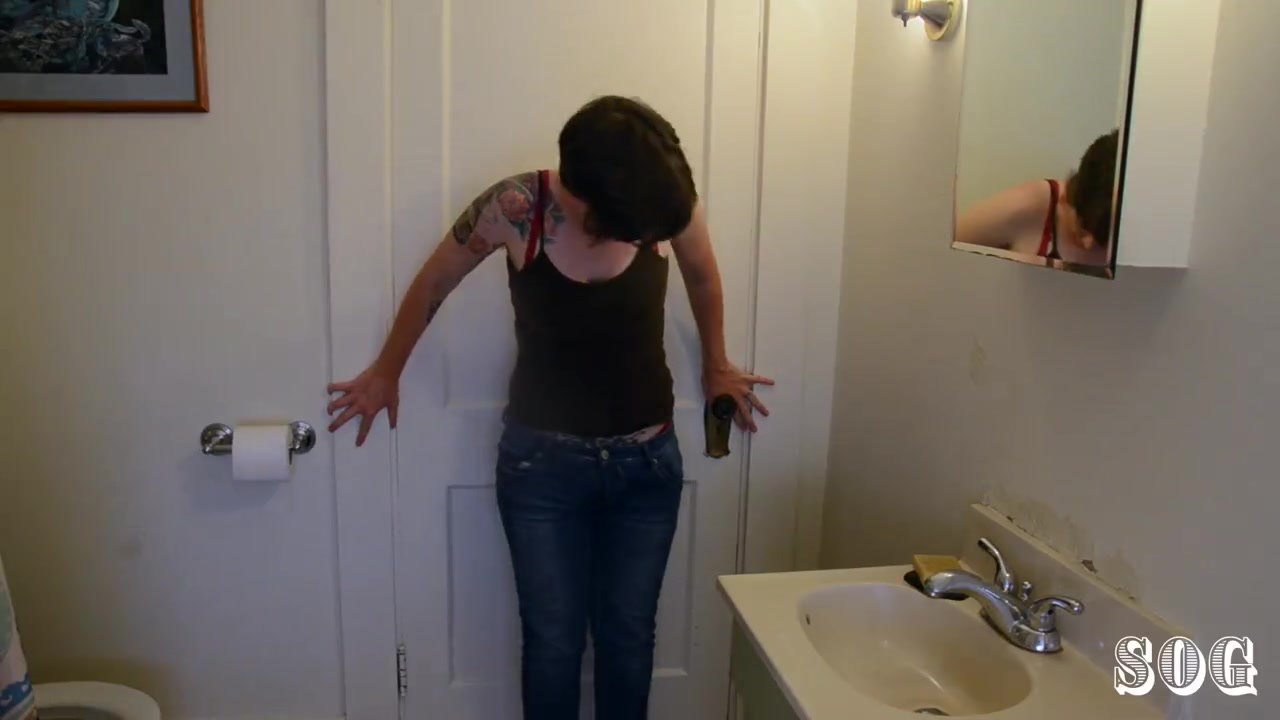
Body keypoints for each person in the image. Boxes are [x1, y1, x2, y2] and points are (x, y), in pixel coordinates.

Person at [325, 95, 773, 720]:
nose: (646, 234)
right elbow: (435, 281)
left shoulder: (661, 199)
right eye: (631, 224)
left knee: (627, 635)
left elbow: (701, 275)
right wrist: (386, 371)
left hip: (647, 466)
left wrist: (716, 363)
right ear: (585, 195)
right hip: (542, 471)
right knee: (554, 641)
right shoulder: (516, 208)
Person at [956, 129, 1119, 267]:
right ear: (1070, 196)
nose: (1087, 243)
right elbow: (944, 256)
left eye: (1103, 241)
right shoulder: (1028, 205)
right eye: (1083, 227)